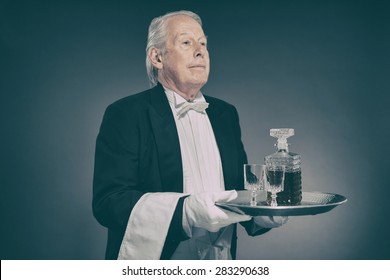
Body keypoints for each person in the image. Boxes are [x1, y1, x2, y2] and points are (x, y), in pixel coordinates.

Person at [92, 10, 287, 260]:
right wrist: (185, 211)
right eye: (186, 42)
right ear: (157, 57)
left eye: (203, 43)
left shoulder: (225, 114)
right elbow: (109, 203)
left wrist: (265, 213)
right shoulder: (126, 114)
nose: (200, 51)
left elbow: (239, 192)